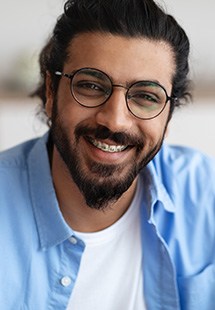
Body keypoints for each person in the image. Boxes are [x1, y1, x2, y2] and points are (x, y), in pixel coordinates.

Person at [0, 0, 215, 309]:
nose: (114, 120)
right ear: (51, 93)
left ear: (169, 115)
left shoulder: (205, 191)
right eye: (90, 86)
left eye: (145, 96)